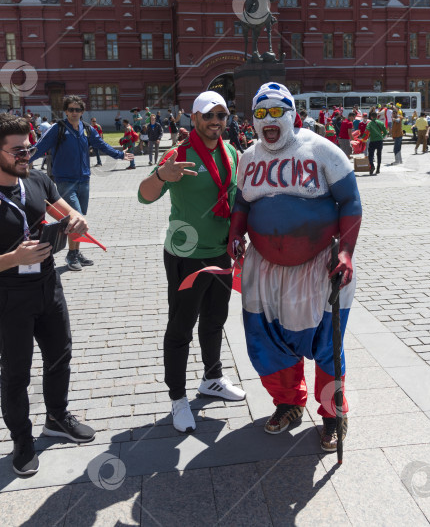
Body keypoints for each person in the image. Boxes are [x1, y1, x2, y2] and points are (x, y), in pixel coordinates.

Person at [227, 82, 362, 451]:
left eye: (275, 112)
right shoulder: (248, 157)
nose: (268, 120)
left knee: (327, 346)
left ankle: (334, 415)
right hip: (265, 270)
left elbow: (350, 202)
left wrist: (346, 252)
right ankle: (288, 403)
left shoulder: (322, 149)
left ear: (291, 115)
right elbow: (241, 203)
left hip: (320, 267)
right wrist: (236, 233)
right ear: (253, 120)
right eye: (260, 113)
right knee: (266, 341)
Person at [138, 91, 245, 433]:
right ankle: (178, 398)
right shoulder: (178, 155)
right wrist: (160, 177)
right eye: (208, 115)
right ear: (194, 118)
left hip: (220, 252)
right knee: (181, 327)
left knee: (215, 320)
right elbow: (143, 196)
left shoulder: (231, 153)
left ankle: (211, 378)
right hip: (186, 255)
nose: (216, 121)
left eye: (221, 115)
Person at [0, 115, 96, 476]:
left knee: (60, 356)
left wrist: (76, 221)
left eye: (29, 146)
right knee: (15, 374)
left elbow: (65, 211)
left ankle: (56, 417)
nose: (27, 154)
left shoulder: (37, 179)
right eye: (17, 151)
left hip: (48, 287)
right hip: (8, 296)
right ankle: (22, 441)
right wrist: (13, 258)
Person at [31, 96, 133, 271]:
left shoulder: (87, 129)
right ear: (65, 111)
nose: (74, 113)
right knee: (74, 218)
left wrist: (120, 155)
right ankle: (71, 255)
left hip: (84, 180)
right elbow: (40, 147)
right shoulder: (58, 129)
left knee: (79, 219)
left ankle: (76, 252)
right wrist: (22, 161)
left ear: (82, 111)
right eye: (71, 109)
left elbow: (100, 144)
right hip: (65, 181)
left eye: (77, 110)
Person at [366, 110, 388, 175]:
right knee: (379, 155)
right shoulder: (381, 123)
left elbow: (366, 131)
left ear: (371, 117)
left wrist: (363, 138)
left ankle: (372, 166)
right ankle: (378, 169)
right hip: (379, 141)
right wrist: (382, 137)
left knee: (370, 155)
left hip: (372, 141)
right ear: (376, 116)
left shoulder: (369, 123)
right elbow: (385, 132)